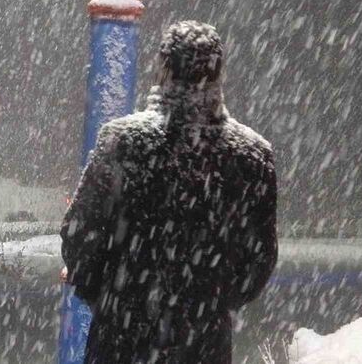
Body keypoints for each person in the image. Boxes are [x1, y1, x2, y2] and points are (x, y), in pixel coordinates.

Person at [61, 21, 277, 364]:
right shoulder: (251, 155)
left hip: (120, 338)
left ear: (162, 68)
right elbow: (257, 263)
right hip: (203, 342)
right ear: (218, 71)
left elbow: (79, 239)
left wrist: (110, 297)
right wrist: (210, 300)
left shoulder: (121, 142)